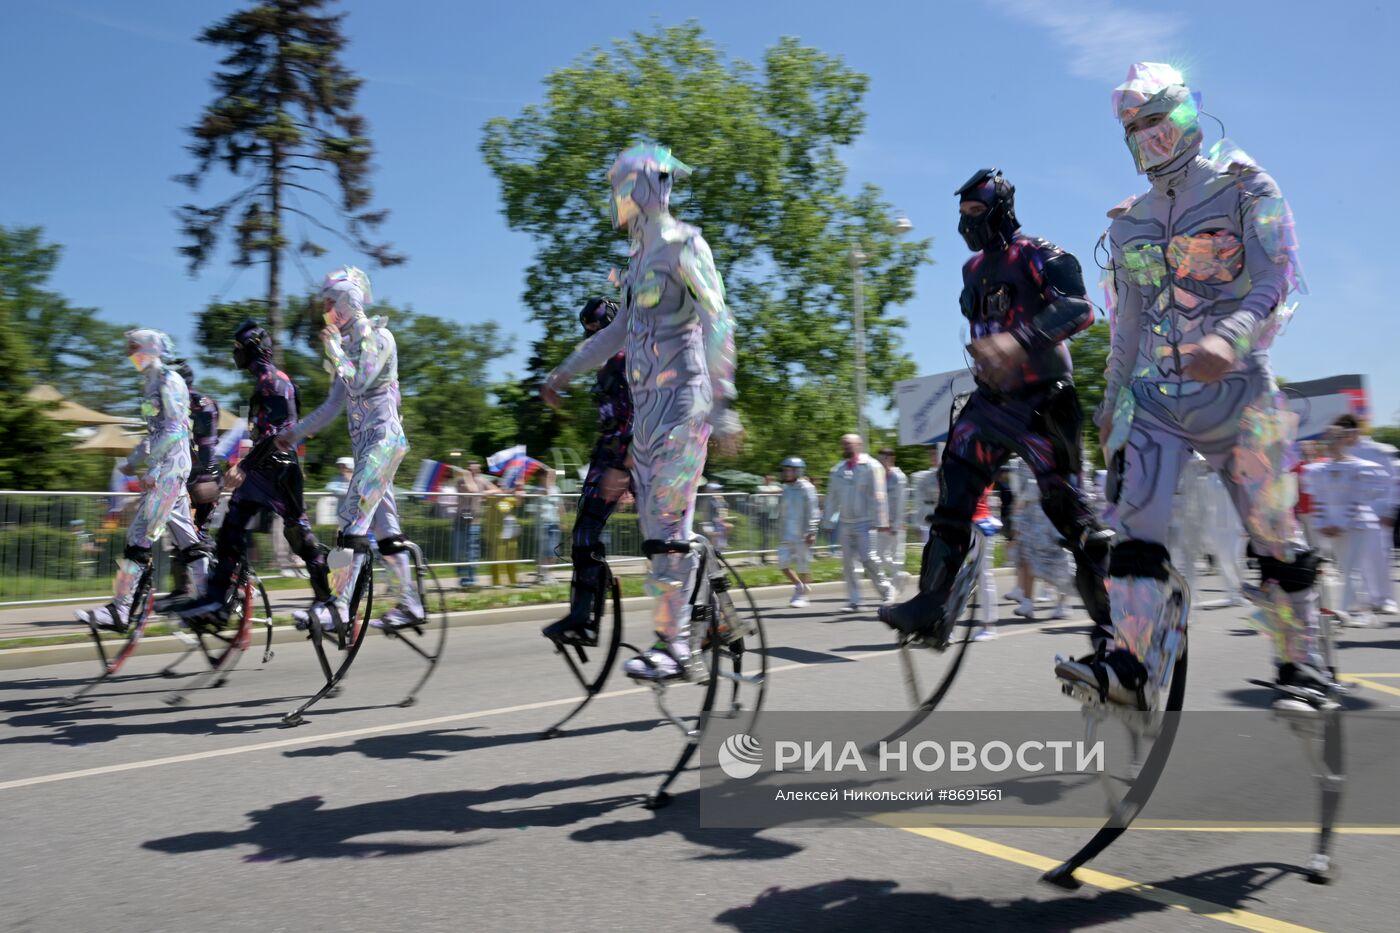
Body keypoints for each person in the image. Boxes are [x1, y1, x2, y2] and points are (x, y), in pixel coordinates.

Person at [1057, 62, 1322, 711]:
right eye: (1131, 126)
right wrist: (1113, 398)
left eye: (1153, 119)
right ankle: (1131, 664)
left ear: (1185, 116)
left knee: (1274, 536)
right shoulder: (1127, 223)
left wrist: (1229, 335)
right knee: (1136, 531)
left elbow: (1274, 277)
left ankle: (1300, 664)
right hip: (1159, 398)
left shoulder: (1243, 184)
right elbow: (1129, 323)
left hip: (1241, 392)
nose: (1145, 135)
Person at [879, 168, 1112, 652]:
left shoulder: (1038, 254)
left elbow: (1080, 308)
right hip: (990, 402)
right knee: (953, 494)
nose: (967, 223)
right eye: (961, 215)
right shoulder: (970, 271)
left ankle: (1114, 627)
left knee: (1069, 515)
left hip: (1044, 400)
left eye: (975, 212)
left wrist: (1019, 340)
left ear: (1002, 210)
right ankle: (931, 607)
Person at [543, 143, 743, 680]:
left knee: (668, 529)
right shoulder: (635, 266)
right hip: (647, 414)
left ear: (652, 187)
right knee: (660, 533)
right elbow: (616, 333)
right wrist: (562, 372)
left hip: (685, 403)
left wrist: (724, 403)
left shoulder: (685, 245)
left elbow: (719, 320)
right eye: (618, 187)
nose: (620, 198)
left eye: (627, 186)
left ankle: (673, 646)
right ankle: (712, 616)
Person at [280, 266, 420, 631]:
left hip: (383, 443)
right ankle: (410, 604)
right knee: (386, 529)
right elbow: (331, 407)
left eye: (329, 302)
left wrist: (333, 348)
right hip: (370, 449)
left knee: (351, 519)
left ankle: (340, 607)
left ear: (347, 299)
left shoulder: (380, 337)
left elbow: (358, 383)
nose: (324, 310)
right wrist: (290, 436)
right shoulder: (350, 347)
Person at [180, 322, 333, 625]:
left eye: (237, 348)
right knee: (230, 532)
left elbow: (281, 435)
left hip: (281, 471)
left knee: (298, 536)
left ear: (251, 349)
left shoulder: (274, 383)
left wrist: (243, 466)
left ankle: (327, 598)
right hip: (259, 471)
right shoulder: (262, 381)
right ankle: (217, 603)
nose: (233, 354)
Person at [78, 331, 210, 631]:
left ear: (150, 348)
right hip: (165, 470)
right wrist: (130, 463)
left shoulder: (170, 381)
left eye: (133, 348)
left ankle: (121, 610)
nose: (130, 355)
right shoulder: (149, 384)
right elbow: (154, 434)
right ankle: (207, 599)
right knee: (187, 540)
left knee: (138, 535)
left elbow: (176, 430)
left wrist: (152, 470)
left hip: (171, 469)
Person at [542, 297, 633, 642]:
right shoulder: (605, 359)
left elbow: (643, 412)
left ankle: (705, 613)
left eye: (597, 329)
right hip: (608, 451)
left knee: (667, 543)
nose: (591, 336)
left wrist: (625, 468)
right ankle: (583, 618)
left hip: (635, 449)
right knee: (583, 533)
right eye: (588, 330)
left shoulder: (631, 357)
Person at [1302, 423, 1390, 627]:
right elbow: (1319, 500)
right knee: (1346, 569)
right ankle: (1363, 611)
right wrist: (1323, 523)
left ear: (1344, 441)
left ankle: (1341, 611)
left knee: (1351, 569)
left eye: (1335, 439)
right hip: (1333, 526)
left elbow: (1358, 500)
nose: (1331, 444)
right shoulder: (1319, 470)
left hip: (1358, 524)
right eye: (1328, 440)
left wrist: (1340, 523)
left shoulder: (1360, 467)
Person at [154, 358, 221, 611]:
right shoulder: (187, 404)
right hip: (190, 477)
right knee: (183, 537)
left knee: (197, 538)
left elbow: (203, 446)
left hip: (201, 479)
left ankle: (231, 586)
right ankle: (185, 591)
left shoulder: (196, 404)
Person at [821, 433, 893, 612]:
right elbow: (831, 498)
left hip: (865, 522)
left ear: (859, 445)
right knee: (848, 563)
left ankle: (887, 590)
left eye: (849, 444)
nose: (845, 447)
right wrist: (828, 522)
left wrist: (882, 520)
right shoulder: (837, 470)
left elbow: (880, 495)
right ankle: (855, 600)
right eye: (843, 444)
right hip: (845, 523)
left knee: (868, 558)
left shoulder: (871, 466)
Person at [1338, 415, 1399, 614]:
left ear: (1354, 431)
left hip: (1378, 514)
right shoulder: (1341, 454)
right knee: (1357, 560)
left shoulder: (1379, 451)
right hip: (1353, 515)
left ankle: (1384, 599)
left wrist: (1389, 511)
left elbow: (1393, 484)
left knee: (1379, 557)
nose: (1342, 437)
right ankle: (1365, 600)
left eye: (1345, 433)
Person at [1009, 456, 1072, 620]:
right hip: (1030, 517)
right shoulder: (1021, 463)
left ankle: (1063, 604)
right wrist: (1016, 527)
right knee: (1026, 557)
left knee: (1058, 561)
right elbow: (1018, 496)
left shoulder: (1054, 456)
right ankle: (1028, 603)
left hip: (1052, 515)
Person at [778, 456, 819, 607]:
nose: (787, 473)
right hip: (786, 533)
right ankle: (800, 586)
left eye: (790, 471)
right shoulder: (786, 488)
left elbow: (813, 511)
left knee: (803, 565)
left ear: (798, 471)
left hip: (802, 533)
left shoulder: (807, 488)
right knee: (782, 563)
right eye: (785, 470)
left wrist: (812, 531)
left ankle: (802, 596)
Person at [453, 460, 494, 588]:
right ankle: (462, 575)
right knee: (458, 550)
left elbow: (497, 489)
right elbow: (472, 490)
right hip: (461, 518)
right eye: (469, 470)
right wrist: (467, 477)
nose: (472, 472)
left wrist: (486, 493)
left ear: (479, 471)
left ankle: (471, 579)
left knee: (472, 550)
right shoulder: (461, 481)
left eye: (474, 470)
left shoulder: (482, 480)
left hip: (474, 520)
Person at [876, 447, 910, 592]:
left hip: (895, 523)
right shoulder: (879, 476)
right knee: (879, 555)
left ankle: (896, 584)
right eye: (879, 459)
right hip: (882, 523)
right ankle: (900, 575)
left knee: (896, 554)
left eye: (883, 458)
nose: (880, 462)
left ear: (891, 459)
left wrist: (896, 524)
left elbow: (901, 502)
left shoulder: (898, 477)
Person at [535, 468, 563, 585]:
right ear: (543, 477)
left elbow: (559, 505)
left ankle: (549, 574)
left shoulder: (557, 489)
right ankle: (543, 574)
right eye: (549, 475)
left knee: (553, 550)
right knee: (545, 550)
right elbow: (544, 493)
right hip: (544, 523)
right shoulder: (539, 488)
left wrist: (562, 520)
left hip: (554, 523)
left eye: (553, 475)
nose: (552, 477)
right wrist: (546, 484)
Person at [754, 473, 783, 563]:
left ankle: (781, 555)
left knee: (777, 535)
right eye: (767, 478)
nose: (769, 480)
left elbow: (783, 491)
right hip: (763, 514)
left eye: (771, 478)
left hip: (774, 514)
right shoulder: (760, 487)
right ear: (764, 479)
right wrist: (775, 492)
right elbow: (763, 493)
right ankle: (763, 556)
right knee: (765, 536)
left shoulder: (775, 487)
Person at [701, 480, 731, 551]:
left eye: (719, 489)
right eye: (717, 489)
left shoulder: (719, 499)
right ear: (711, 491)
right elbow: (704, 514)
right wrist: (705, 524)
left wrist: (723, 519)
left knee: (728, 526)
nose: (720, 491)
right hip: (709, 524)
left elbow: (724, 510)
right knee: (715, 534)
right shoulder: (707, 500)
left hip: (717, 523)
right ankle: (713, 550)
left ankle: (721, 547)